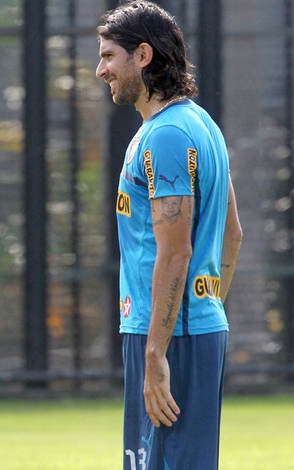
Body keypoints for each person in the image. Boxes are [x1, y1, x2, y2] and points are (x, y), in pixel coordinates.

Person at [95, 2, 242, 469]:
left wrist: (158, 351)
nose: (101, 70)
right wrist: (208, 309)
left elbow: (175, 253)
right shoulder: (198, 124)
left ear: (142, 55)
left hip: (169, 337)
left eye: (108, 56)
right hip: (187, 329)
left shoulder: (167, 136)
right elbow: (232, 235)